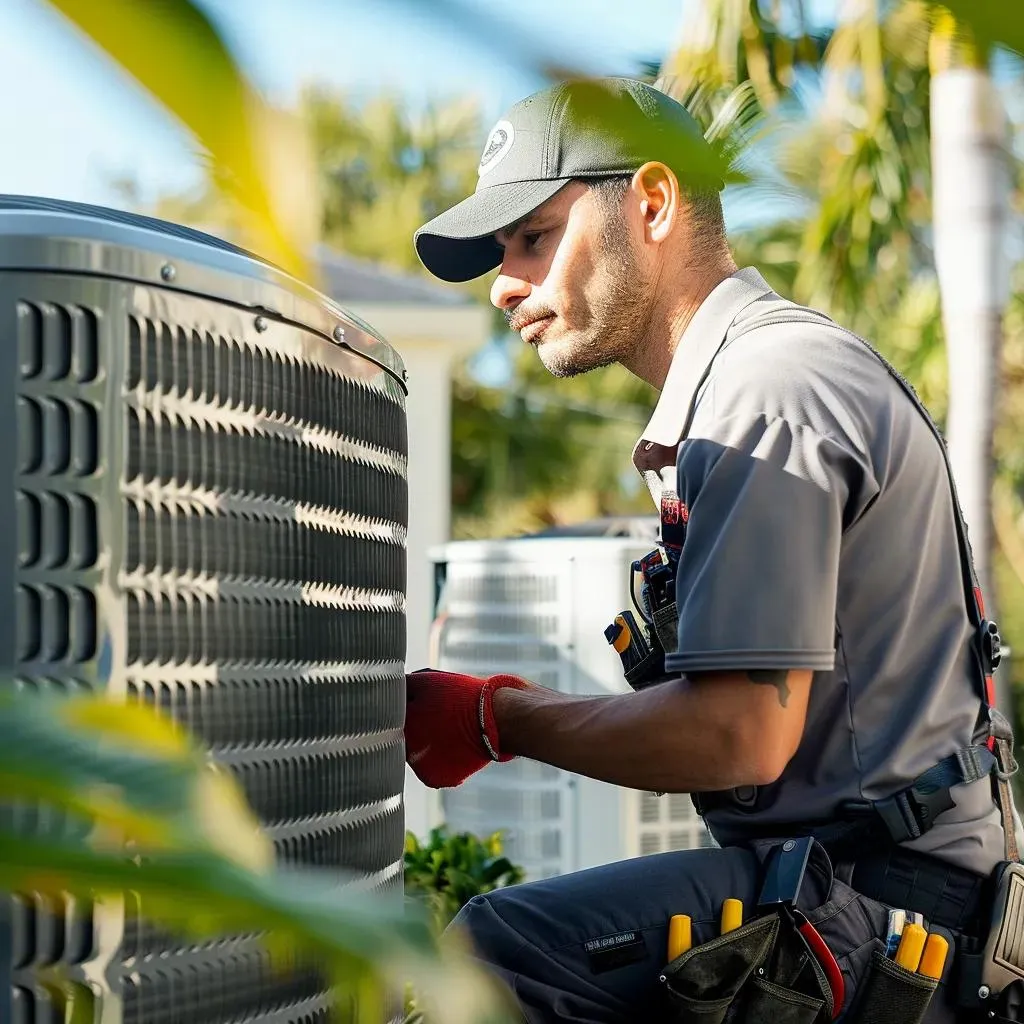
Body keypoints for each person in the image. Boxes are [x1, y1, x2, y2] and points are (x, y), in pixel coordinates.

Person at [404, 77, 1023, 1023]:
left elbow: (739, 733)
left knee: (500, 955)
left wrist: (498, 719)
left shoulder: (765, 391)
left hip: (892, 916)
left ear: (651, 203)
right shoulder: (759, 380)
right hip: (886, 897)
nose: (504, 283)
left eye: (535, 237)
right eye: (501, 250)